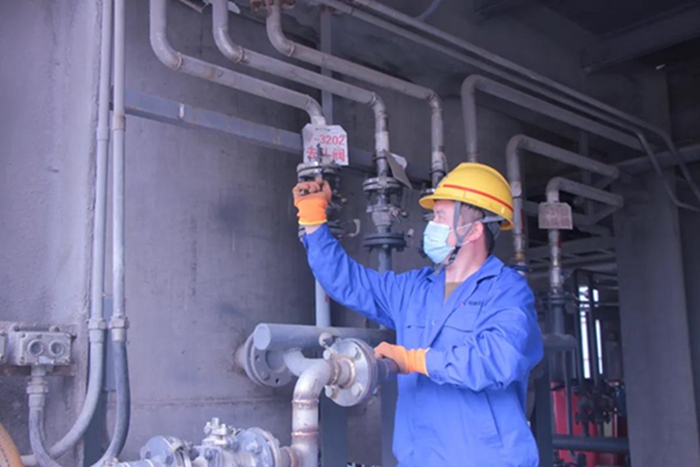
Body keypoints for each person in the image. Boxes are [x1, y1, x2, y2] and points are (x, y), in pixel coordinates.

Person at [292, 162, 544, 467]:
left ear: (474, 230)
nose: (431, 225)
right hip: (420, 458)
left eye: (440, 217)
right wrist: (313, 220)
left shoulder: (507, 292)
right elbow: (350, 283)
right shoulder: (415, 289)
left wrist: (414, 360)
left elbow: (497, 360)